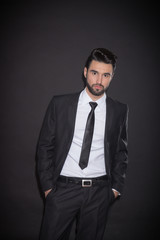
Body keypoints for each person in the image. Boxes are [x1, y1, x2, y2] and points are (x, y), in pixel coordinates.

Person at [37, 48, 129, 240]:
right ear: (85, 71)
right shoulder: (60, 104)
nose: (99, 80)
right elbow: (45, 147)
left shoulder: (119, 110)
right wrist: (48, 188)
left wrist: (114, 189)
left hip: (99, 192)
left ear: (112, 77)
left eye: (106, 75)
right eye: (95, 73)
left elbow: (121, 151)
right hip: (63, 189)